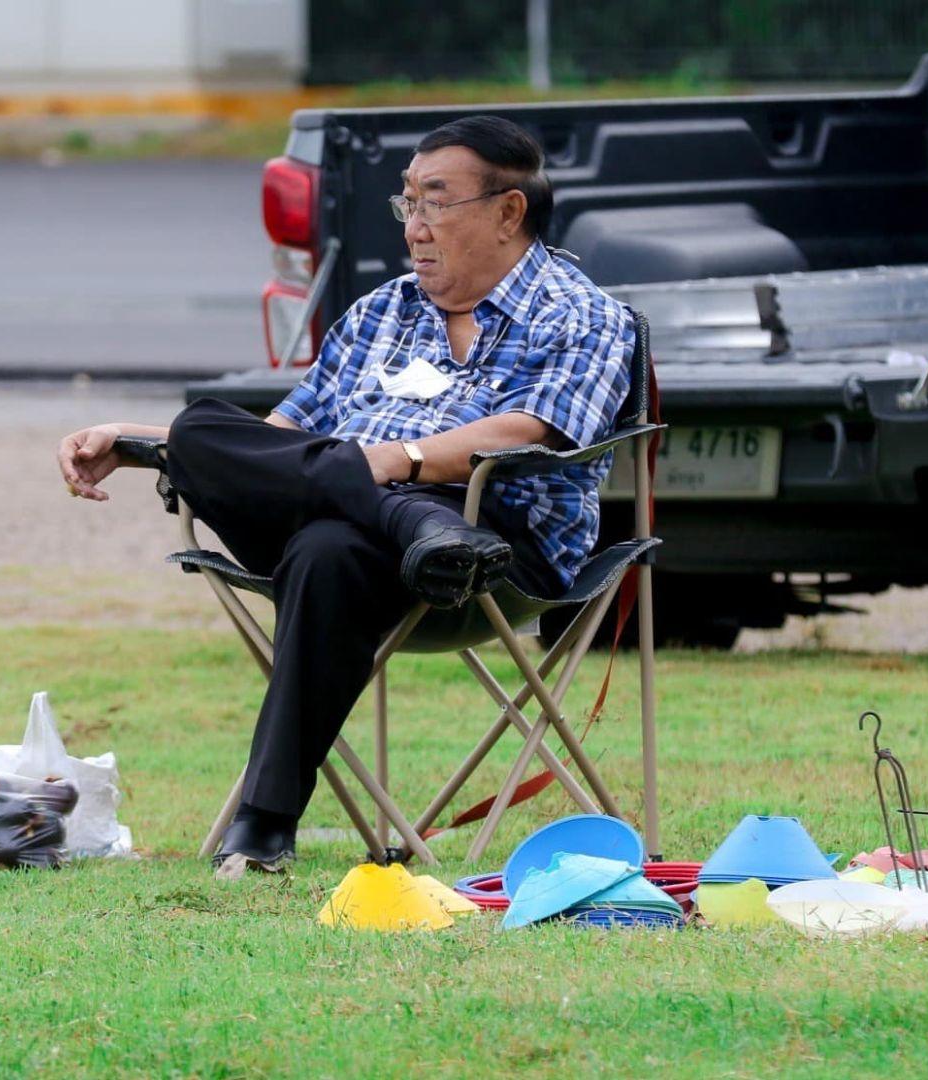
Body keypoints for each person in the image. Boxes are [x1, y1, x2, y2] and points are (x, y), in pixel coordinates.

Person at [57, 115, 635, 878]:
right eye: (408, 206)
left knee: (326, 548)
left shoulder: (582, 314)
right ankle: (413, 523)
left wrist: (392, 462)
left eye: (435, 203)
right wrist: (138, 438)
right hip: (408, 541)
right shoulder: (381, 311)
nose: (415, 228)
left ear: (507, 212)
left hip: (495, 549)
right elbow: (280, 441)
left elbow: (537, 432)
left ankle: (262, 825)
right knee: (204, 427)